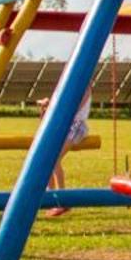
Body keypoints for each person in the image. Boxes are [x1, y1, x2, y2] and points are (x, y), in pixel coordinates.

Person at [36, 90, 93, 218]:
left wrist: (51, 105)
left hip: (75, 125)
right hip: (66, 125)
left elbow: (72, 107)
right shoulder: (71, 81)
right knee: (46, 157)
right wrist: (49, 104)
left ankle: (62, 200)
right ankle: (51, 198)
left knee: (54, 159)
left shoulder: (85, 84)